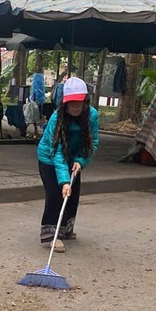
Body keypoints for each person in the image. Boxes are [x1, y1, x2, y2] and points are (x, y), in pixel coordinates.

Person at [37, 76, 99, 252]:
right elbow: (57, 154)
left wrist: (81, 161)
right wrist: (64, 181)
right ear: (65, 103)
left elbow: (92, 143)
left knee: (73, 194)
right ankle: (51, 234)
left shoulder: (92, 116)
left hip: (74, 158)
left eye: (78, 102)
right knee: (56, 194)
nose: (75, 106)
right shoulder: (58, 118)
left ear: (85, 101)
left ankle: (65, 230)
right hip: (49, 158)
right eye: (71, 102)